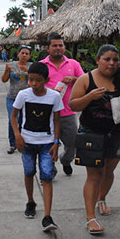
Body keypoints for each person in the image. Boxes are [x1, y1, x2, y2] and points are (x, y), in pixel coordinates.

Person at [69, 44, 120, 234]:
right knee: (94, 174)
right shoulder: (86, 79)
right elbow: (73, 105)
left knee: (108, 171)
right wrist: (90, 97)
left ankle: (101, 198)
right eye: (107, 59)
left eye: (115, 60)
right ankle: (90, 217)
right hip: (92, 134)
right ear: (97, 60)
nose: (111, 63)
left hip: (118, 134)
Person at [10, 62, 63, 231]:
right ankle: (31, 201)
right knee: (29, 172)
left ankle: (47, 216)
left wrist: (56, 142)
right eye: (30, 80)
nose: (33, 84)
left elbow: (56, 120)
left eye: (37, 80)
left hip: (46, 143)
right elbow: (13, 117)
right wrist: (17, 135)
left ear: (46, 80)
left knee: (46, 176)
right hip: (26, 142)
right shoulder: (23, 95)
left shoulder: (54, 96)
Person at [40, 32, 85, 176]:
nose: (58, 48)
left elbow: (85, 81)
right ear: (48, 48)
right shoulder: (41, 65)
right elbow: (32, 85)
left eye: (60, 45)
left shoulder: (73, 64)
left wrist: (74, 78)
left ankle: (66, 160)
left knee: (73, 144)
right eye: (54, 45)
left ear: (64, 47)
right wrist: (46, 90)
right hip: (47, 113)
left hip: (68, 112)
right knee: (48, 144)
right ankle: (50, 168)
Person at [1, 45, 32, 154]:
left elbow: (38, 79)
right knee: (12, 119)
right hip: (12, 98)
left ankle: (24, 142)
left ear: (29, 56)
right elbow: (4, 80)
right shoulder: (11, 65)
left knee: (24, 120)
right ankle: (13, 144)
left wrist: (29, 71)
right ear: (18, 54)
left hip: (27, 99)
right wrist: (6, 70)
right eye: (22, 53)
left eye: (26, 53)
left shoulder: (32, 66)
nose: (24, 55)